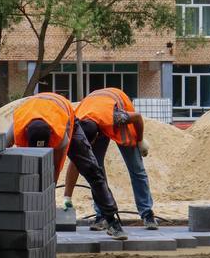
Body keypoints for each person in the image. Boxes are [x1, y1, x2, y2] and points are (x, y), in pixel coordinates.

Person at [10, 91, 128, 240]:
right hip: (42, 111)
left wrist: (48, 192)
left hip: (68, 122)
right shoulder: (17, 125)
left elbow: (55, 167)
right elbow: (5, 152)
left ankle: (112, 221)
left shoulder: (61, 137)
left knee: (92, 170)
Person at [62, 87, 156, 230]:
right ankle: (102, 216)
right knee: (95, 171)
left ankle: (147, 214)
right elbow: (76, 163)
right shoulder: (78, 126)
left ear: (96, 136)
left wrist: (140, 141)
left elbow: (137, 117)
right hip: (93, 113)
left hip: (113, 109)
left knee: (136, 168)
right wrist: (67, 198)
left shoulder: (118, 117)